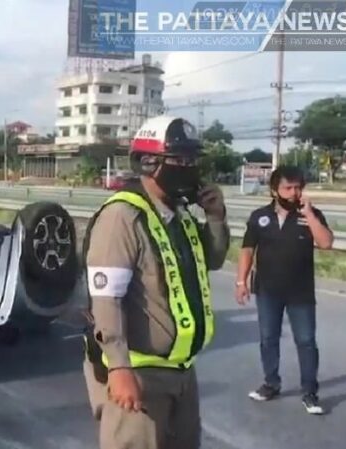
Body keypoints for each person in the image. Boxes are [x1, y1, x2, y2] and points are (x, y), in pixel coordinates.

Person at [80, 116, 230, 449]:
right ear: (150, 163)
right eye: (180, 160)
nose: (190, 168)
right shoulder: (122, 216)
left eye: (193, 160)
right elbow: (106, 298)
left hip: (180, 373)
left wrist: (216, 218)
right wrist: (119, 370)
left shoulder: (178, 214)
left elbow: (213, 260)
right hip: (137, 373)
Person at [235, 165, 333, 415]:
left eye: (298, 187)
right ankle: (271, 383)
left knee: (306, 341)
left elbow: (326, 243)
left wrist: (309, 214)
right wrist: (241, 281)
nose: (293, 192)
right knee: (268, 338)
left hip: (300, 292)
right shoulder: (259, 216)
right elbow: (247, 249)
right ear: (274, 189)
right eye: (288, 188)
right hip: (267, 290)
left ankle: (310, 392)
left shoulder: (311, 214)